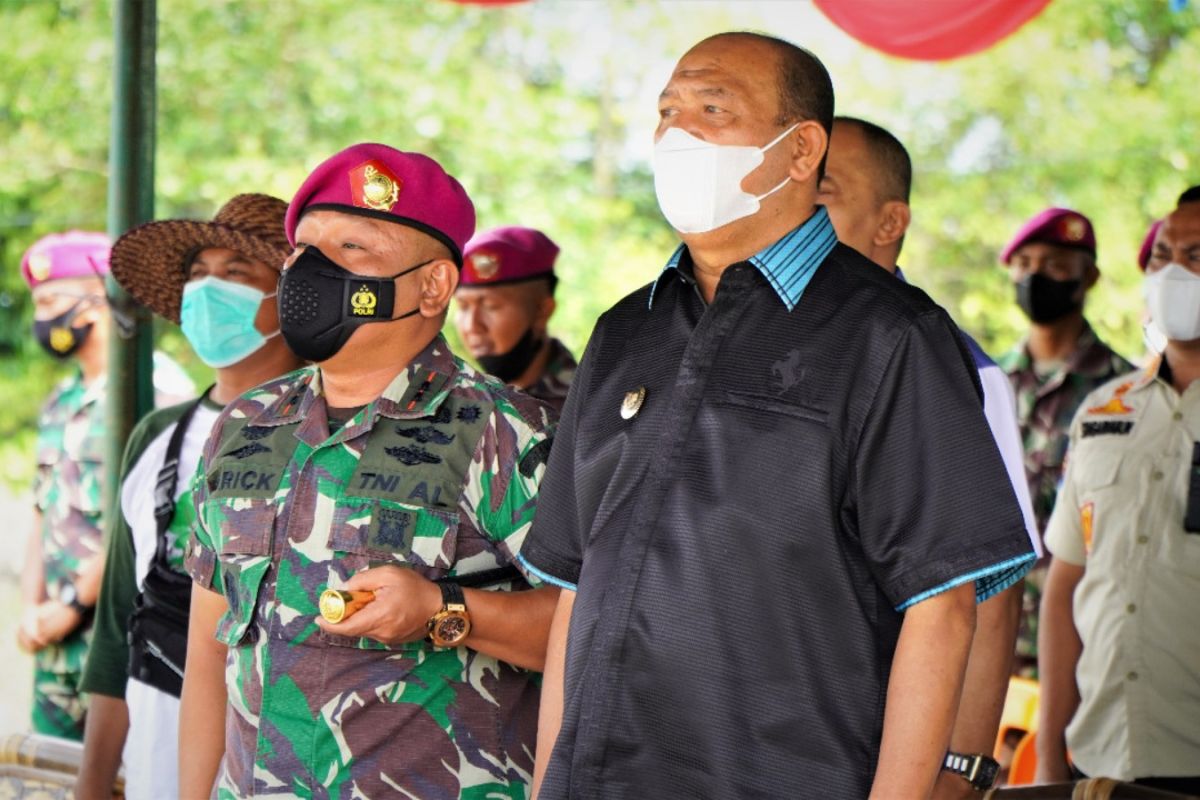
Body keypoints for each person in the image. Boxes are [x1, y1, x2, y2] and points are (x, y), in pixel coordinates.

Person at [521, 33, 1035, 799]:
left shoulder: (892, 336)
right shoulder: (625, 332)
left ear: (801, 153)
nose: (678, 133)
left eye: (712, 109)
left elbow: (944, 605)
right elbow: (576, 589)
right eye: (667, 112)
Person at [178, 144, 559, 798]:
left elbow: (589, 634)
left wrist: (448, 610)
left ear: (434, 285)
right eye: (305, 250)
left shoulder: (505, 431)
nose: (315, 270)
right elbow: (209, 652)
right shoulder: (244, 426)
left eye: (353, 248)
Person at [819, 115, 1040, 795]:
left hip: (886, 756)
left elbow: (991, 589)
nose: (798, 207)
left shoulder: (954, 365)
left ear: (890, 223)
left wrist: (963, 768)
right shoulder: (766, 347)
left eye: (825, 191)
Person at [75, 194, 302, 800]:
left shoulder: (328, 435)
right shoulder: (158, 436)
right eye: (199, 273)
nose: (208, 290)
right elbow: (119, 622)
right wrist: (92, 783)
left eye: (236, 274)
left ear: (291, 297)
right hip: (156, 757)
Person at [1036, 190, 1200, 794]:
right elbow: (1066, 586)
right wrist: (1050, 753)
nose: (1174, 270)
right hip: (1098, 756)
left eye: (1196, 253)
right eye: (1162, 254)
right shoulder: (1103, 409)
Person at [995, 207, 1132, 675]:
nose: (1035, 276)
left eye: (1054, 264)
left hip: (1084, 649)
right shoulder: (983, 384)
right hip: (991, 641)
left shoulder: (1124, 393)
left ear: (1087, 276)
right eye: (1025, 263)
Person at [17, 231, 114, 741]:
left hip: (112, 645)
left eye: (53, 301)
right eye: (38, 304)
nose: (43, 317)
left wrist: (74, 606)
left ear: (96, 300)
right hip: (54, 646)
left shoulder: (149, 391)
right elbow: (43, 509)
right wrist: (33, 608)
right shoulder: (60, 400)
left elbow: (135, 521)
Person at [455, 226, 577, 412]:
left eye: (491, 306)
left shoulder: (581, 407)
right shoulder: (458, 397)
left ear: (542, 311)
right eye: (463, 306)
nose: (472, 326)